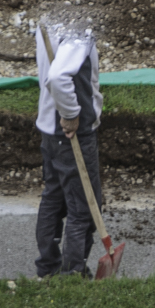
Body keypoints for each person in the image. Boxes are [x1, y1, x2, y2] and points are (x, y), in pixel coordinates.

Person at [33, 14, 104, 278]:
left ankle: (48, 268)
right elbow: (58, 77)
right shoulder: (77, 33)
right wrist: (71, 114)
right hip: (71, 134)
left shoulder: (51, 23)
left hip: (49, 130)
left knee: (53, 197)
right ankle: (73, 274)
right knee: (82, 206)